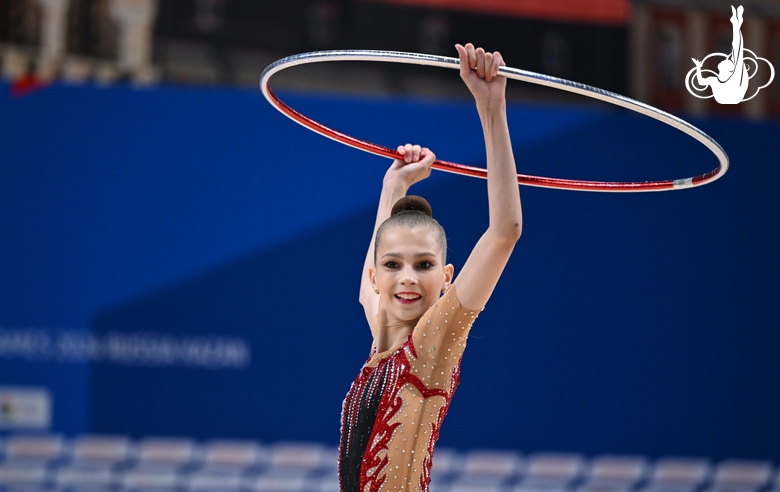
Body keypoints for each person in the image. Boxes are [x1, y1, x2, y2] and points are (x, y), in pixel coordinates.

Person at [338, 43, 523, 492]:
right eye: (393, 265)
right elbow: (373, 293)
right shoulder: (382, 346)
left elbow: (505, 231)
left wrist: (491, 107)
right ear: (374, 275)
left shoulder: (432, 343)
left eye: (424, 265)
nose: (406, 277)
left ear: (446, 278)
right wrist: (394, 184)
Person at [692, 5, 748, 104]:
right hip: (726, 97)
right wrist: (698, 67)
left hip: (732, 97)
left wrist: (736, 26)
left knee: (737, 53)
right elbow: (701, 82)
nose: (725, 59)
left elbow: (737, 48)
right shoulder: (714, 80)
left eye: (726, 61)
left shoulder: (733, 79)